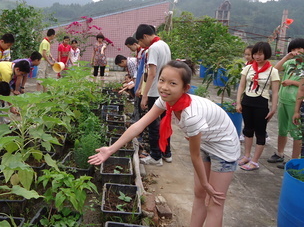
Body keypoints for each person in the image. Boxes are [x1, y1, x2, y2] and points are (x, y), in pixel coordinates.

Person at [89, 60, 240, 227]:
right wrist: (110, 149)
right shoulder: (165, 101)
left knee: (214, 202)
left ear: (185, 88)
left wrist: (206, 183)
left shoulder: (191, 116)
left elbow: (194, 155)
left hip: (224, 148)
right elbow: (139, 125)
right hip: (207, 141)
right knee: (199, 194)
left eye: (172, 83)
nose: (164, 87)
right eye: (162, 80)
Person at [236, 42, 280, 171]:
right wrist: (238, 102)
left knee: (260, 133)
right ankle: (247, 156)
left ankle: (255, 162)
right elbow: (242, 86)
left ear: (266, 54)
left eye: (260, 54)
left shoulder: (273, 71)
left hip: (261, 104)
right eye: (255, 53)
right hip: (247, 102)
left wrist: (273, 108)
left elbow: (275, 91)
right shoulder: (248, 68)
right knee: (248, 130)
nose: (257, 56)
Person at [135, 24, 171, 166]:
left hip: (154, 92)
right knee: (165, 123)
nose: (141, 45)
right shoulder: (164, 45)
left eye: (140, 41)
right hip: (165, 91)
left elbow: (151, 73)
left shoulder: (153, 48)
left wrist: (145, 95)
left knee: (152, 124)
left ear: (145, 36)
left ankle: (156, 156)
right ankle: (166, 153)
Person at [267, 38, 304, 169]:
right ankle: (280, 153)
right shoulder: (290, 63)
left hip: (296, 104)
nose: (296, 52)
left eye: (299, 48)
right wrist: (287, 57)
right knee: (282, 129)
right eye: (293, 49)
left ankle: (294, 160)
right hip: (283, 100)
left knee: (296, 133)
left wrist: (292, 82)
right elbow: (274, 70)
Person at [125, 37, 145, 123]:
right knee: (136, 101)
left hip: (141, 80)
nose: (130, 49)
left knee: (138, 100)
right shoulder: (139, 52)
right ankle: (135, 116)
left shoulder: (143, 52)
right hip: (138, 79)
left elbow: (143, 69)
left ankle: (136, 119)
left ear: (134, 44)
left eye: (130, 47)